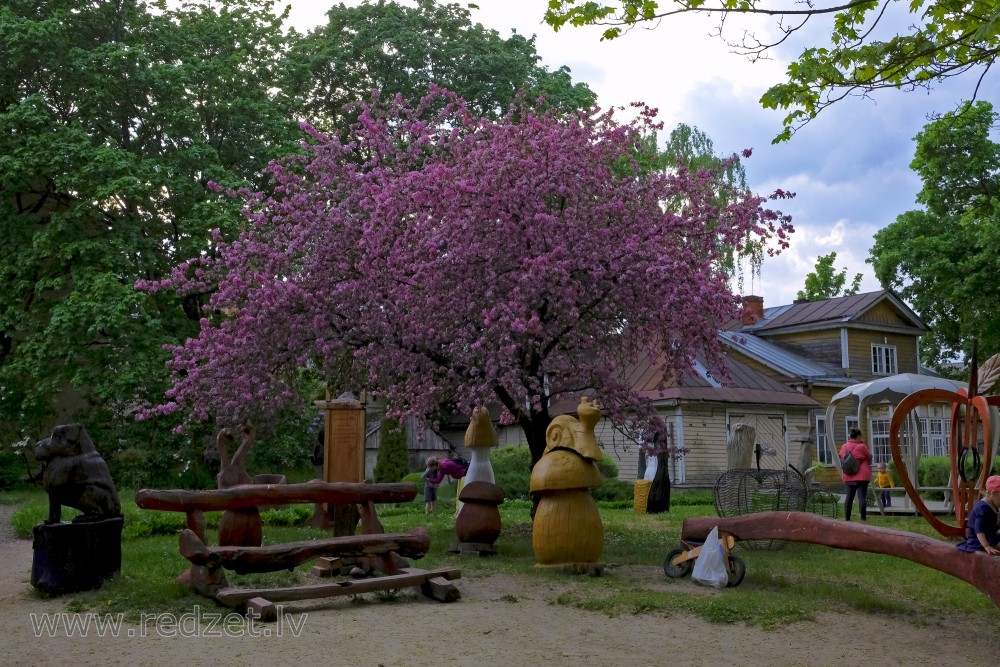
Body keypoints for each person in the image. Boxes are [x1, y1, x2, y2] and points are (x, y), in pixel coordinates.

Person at [957, 475, 1000, 554]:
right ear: (993, 493)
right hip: (979, 540)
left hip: (991, 536)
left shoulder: (994, 505)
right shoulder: (982, 508)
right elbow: (978, 529)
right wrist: (986, 546)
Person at [840, 428, 874, 521]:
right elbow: (870, 456)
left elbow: (841, 457)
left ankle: (847, 518)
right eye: (861, 436)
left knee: (849, 497)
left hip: (848, 475)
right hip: (862, 476)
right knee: (862, 497)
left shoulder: (844, 446)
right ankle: (863, 518)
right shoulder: (861, 446)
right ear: (858, 436)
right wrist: (862, 444)